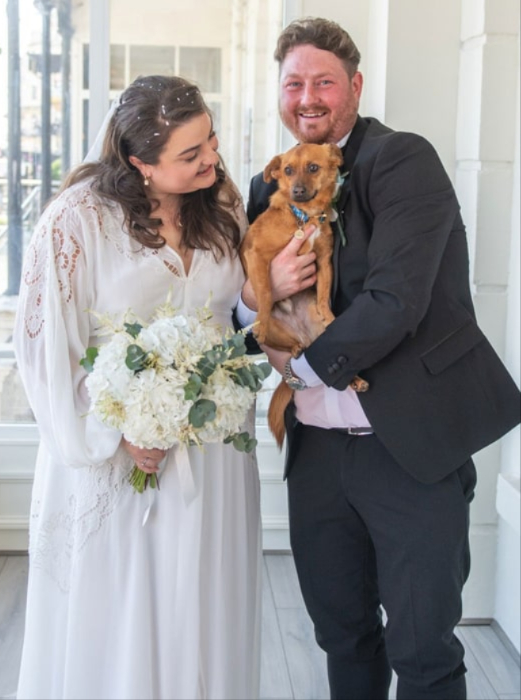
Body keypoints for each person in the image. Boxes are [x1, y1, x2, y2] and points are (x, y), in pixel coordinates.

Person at [238, 17, 521, 700]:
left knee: (423, 647)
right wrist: (260, 310)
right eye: (294, 83)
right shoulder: (267, 187)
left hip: (409, 454)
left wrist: (299, 367)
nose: (307, 97)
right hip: (317, 457)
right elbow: (248, 309)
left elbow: (397, 299)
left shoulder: (401, 161)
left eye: (324, 82)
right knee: (343, 636)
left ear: (355, 87)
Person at [13, 75, 262, 700]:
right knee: (123, 619)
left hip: (211, 454)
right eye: (190, 154)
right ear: (139, 162)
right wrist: (122, 427)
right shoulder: (76, 222)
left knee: (205, 608)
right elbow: (45, 351)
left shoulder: (223, 203)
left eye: (210, 140)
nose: (211, 159)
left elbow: (234, 310)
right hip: (114, 460)